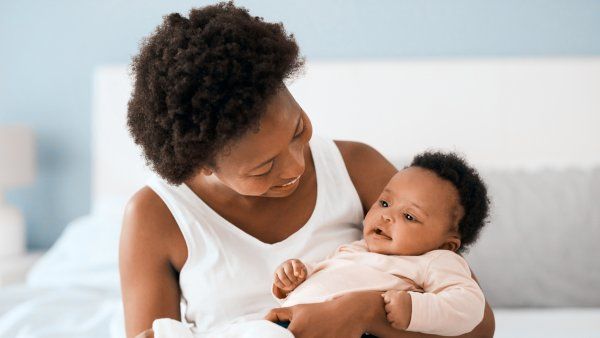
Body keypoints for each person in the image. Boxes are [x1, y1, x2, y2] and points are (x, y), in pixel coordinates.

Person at [119, 2, 495, 337]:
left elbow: (478, 325)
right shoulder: (155, 216)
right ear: (202, 165)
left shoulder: (356, 167)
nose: (296, 166)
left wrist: (362, 314)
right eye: (264, 166)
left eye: (298, 129)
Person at [270, 152, 489, 336]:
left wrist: (413, 309)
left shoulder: (436, 260)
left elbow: (469, 307)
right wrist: (298, 276)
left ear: (446, 245)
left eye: (409, 216)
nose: (386, 216)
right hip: (289, 324)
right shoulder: (356, 248)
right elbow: (329, 274)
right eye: (384, 203)